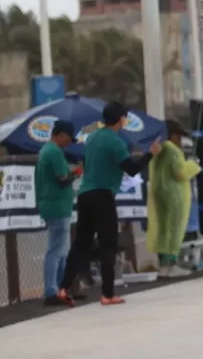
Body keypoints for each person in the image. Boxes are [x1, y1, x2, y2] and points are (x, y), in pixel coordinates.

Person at [56, 101, 161, 307]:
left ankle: (64, 287)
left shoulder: (93, 136)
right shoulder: (115, 141)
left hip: (85, 194)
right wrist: (150, 153)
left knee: (81, 244)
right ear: (120, 119)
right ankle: (108, 294)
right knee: (108, 244)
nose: (126, 120)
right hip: (102, 195)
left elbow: (92, 162)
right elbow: (131, 168)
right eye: (125, 117)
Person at [146, 120, 201, 278]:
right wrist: (194, 165)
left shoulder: (157, 149)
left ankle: (163, 266)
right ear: (173, 135)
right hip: (174, 195)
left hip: (158, 194)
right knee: (175, 230)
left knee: (162, 231)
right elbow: (180, 173)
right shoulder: (173, 150)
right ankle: (172, 264)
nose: (180, 140)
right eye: (179, 136)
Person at [35, 120, 82, 306]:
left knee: (61, 249)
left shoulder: (47, 150)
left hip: (54, 204)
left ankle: (62, 288)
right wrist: (78, 171)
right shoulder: (54, 151)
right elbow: (62, 179)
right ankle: (51, 291)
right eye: (69, 138)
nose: (69, 143)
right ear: (61, 134)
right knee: (56, 250)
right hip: (56, 205)